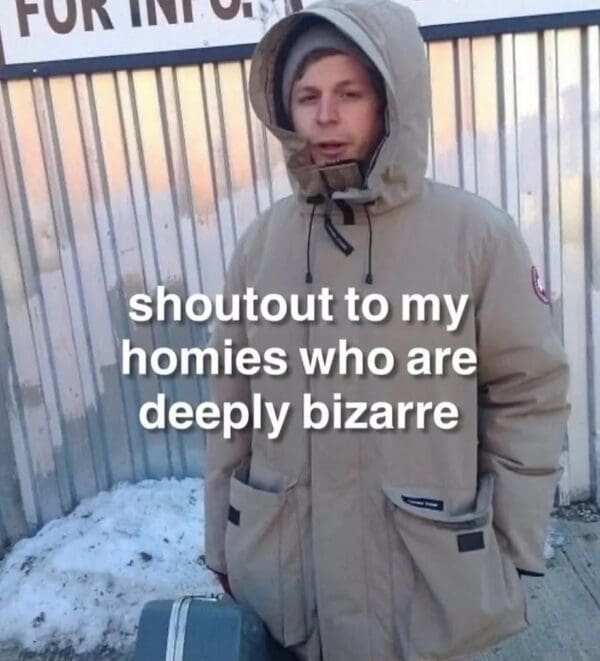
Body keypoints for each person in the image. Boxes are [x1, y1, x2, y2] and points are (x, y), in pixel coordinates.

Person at [203, 1, 570, 659]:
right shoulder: (262, 245)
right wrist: (222, 540)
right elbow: (233, 405)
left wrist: (507, 550)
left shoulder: (474, 236)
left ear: (391, 101)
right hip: (289, 580)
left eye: (349, 93)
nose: (326, 115)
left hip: (427, 584)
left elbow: (528, 393)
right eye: (307, 96)